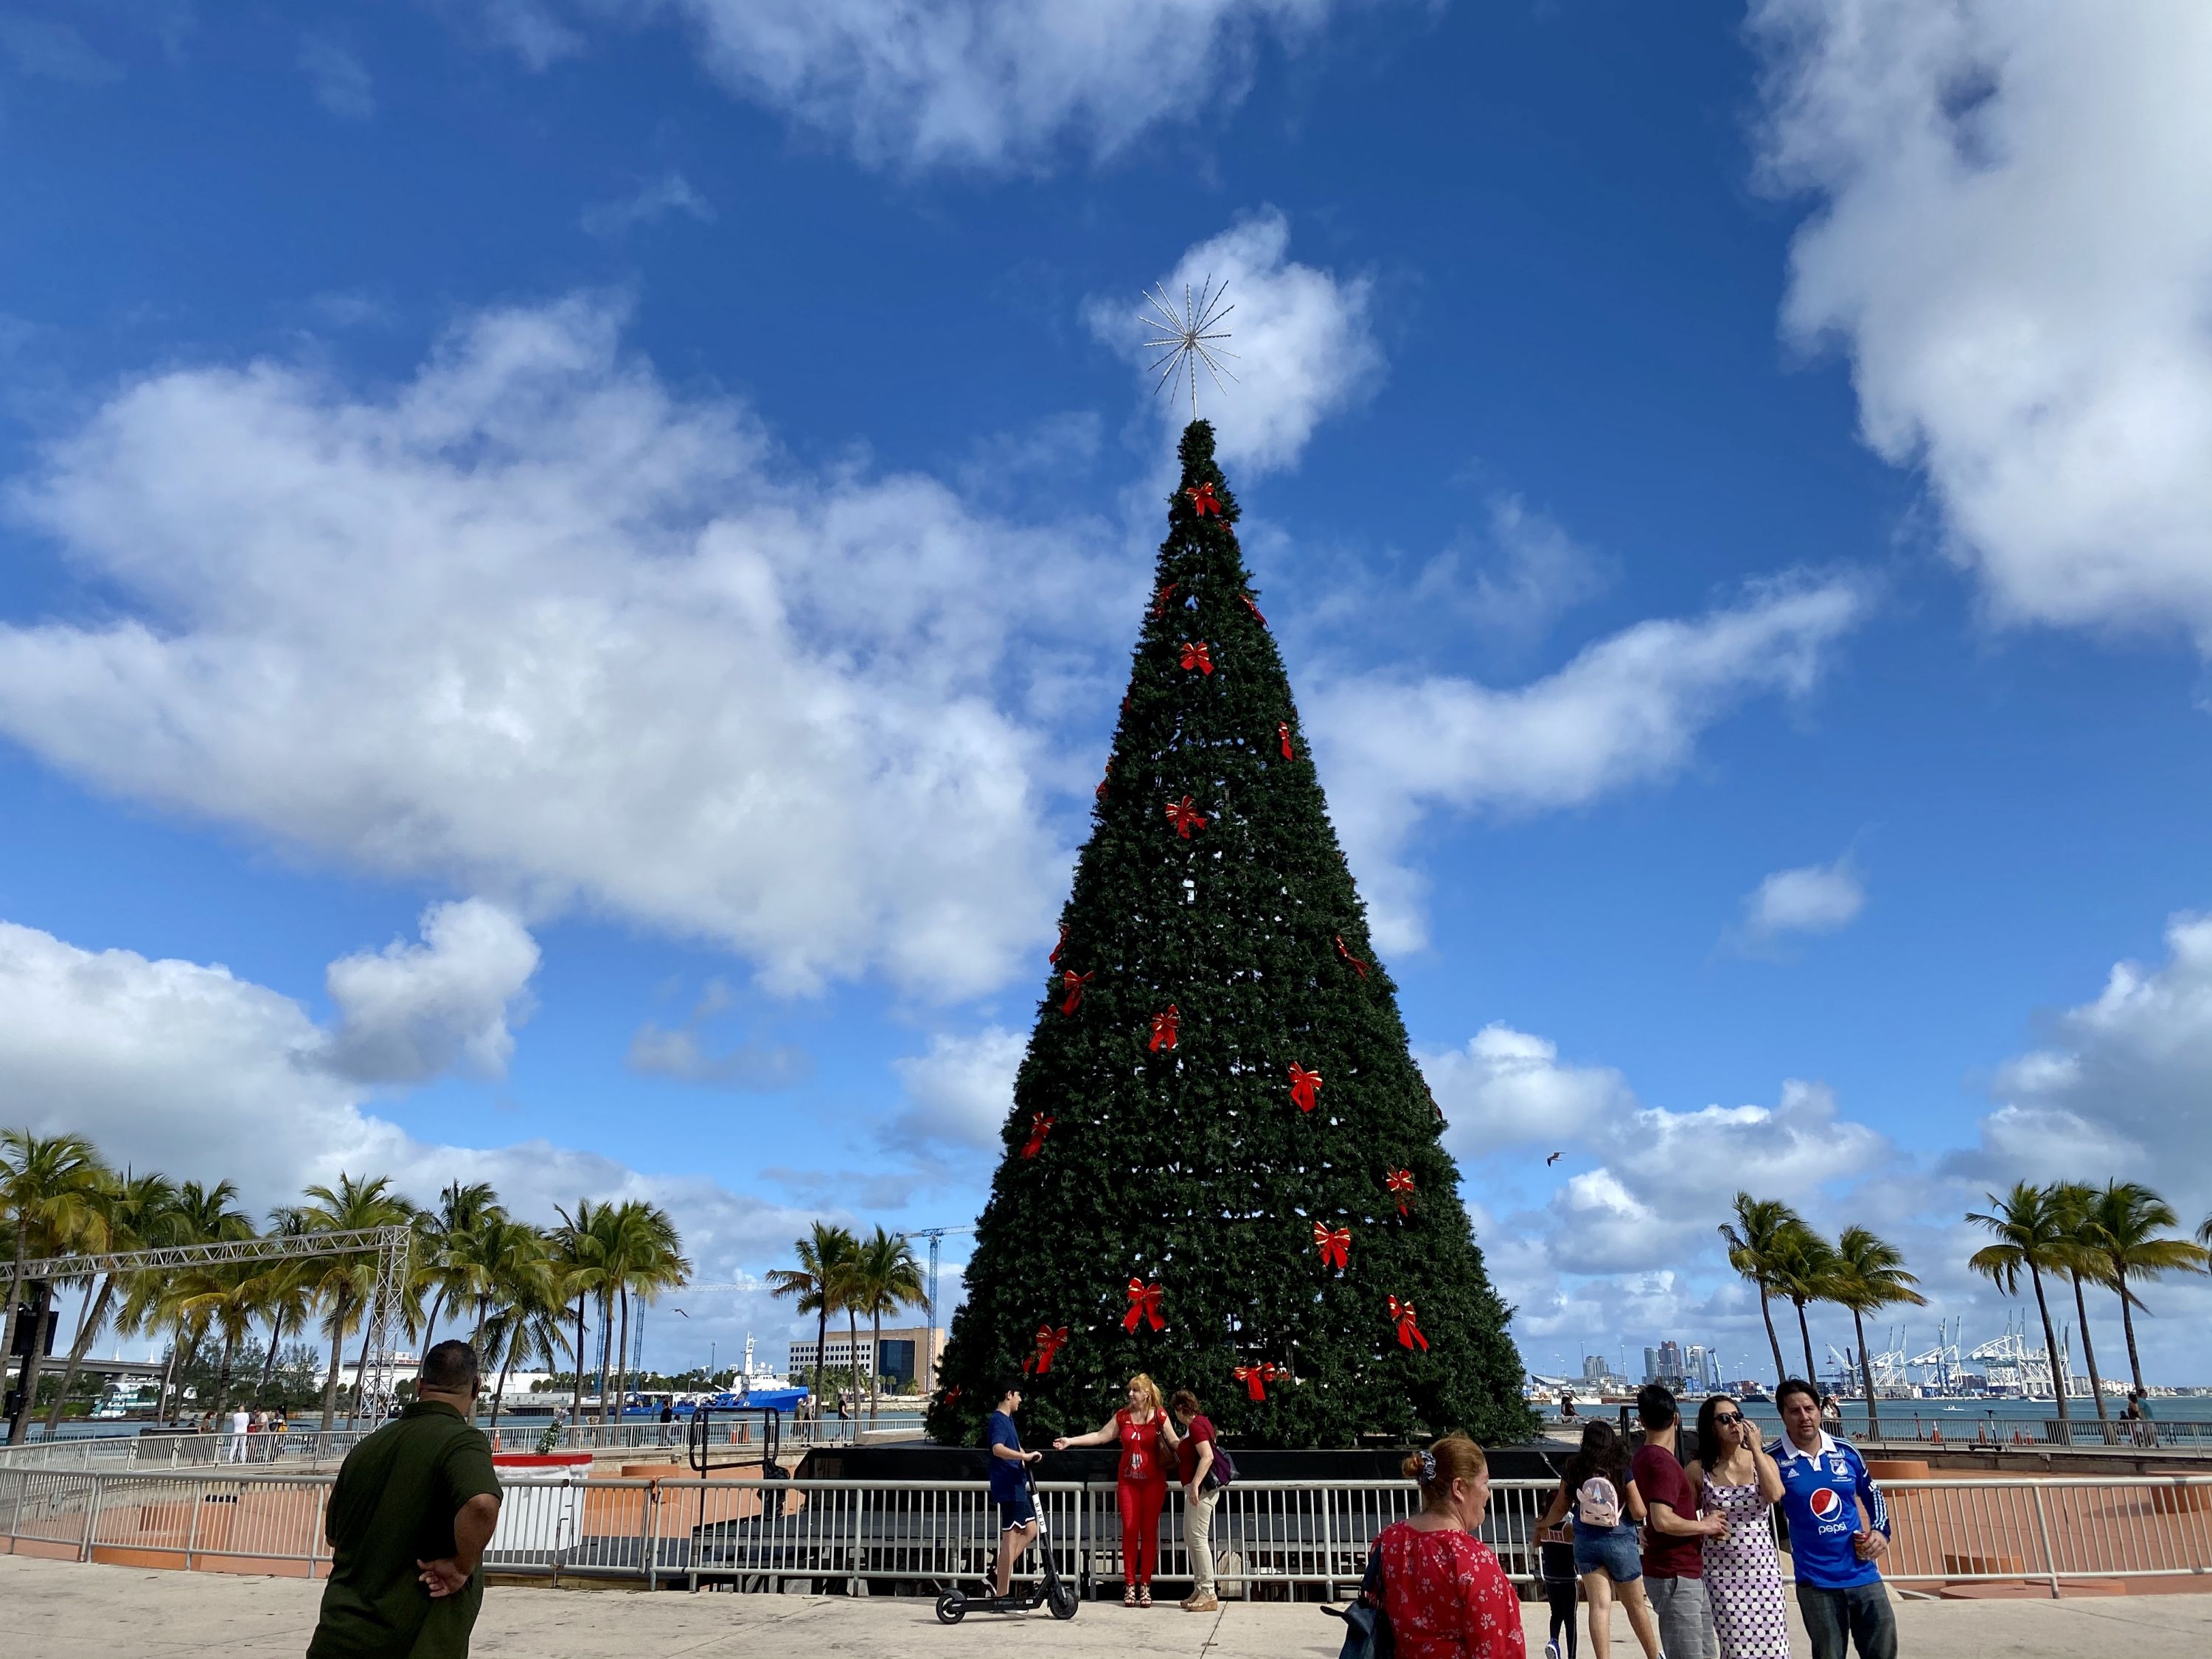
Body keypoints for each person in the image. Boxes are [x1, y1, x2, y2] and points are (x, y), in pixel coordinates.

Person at [306, 1340, 504, 1659]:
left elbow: (333, 1536)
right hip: (411, 1639)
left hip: (339, 1634)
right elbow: (481, 1503)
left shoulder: (367, 1448)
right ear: (476, 1387)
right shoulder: (462, 1441)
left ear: (420, 1384)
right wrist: (461, 1567)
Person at [1769, 1377, 1894, 1659]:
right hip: (1817, 1584)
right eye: (1795, 1411)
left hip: (1864, 1576)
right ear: (1783, 1415)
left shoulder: (1846, 1451)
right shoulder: (1772, 1460)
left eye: (1810, 1409)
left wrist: (1881, 1533)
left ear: (1819, 1411)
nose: (1805, 1417)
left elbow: (1873, 1494)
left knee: (1884, 1652)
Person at [1367, 1435, 1524, 1658]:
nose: (1488, 1493)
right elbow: (1496, 1649)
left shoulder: (1388, 1542)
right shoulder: (1473, 1560)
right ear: (1459, 1488)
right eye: (1485, 1482)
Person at [1537, 1420, 1663, 1659]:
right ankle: (1652, 1656)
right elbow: (1638, 1511)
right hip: (1619, 1541)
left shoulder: (1574, 1466)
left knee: (1599, 1606)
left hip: (1585, 1542)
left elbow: (1559, 1507)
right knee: (1635, 1606)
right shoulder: (1621, 1466)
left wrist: (1544, 1523)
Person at [1054, 1372, 1178, 1607]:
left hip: (1153, 1482)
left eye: (1135, 1390)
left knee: (1149, 1532)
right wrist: (1071, 1440)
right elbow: (1101, 1436)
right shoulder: (1123, 1416)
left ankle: (1146, 1586)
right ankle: (1130, 1585)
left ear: (1146, 1394)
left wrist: (1199, 1447)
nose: (1130, 1394)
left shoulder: (1159, 1416)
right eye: (1129, 1390)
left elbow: (1174, 1442)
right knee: (1130, 1531)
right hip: (1129, 1482)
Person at [1688, 1395, 1788, 1659]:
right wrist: (1703, 1526)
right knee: (1735, 1646)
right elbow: (1685, 1516)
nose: (1734, 1423)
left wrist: (1756, 1449)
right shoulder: (1698, 1470)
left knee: (1774, 1644)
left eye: (1737, 1416)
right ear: (1711, 1427)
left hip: (1762, 1569)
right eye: (1724, 1419)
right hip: (1722, 1571)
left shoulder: (1761, 1462)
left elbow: (1775, 1494)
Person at [1632, 1384, 1728, 1659]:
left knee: (1705, 1652)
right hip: (1674, 1571)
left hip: (1679, 1570)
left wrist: (1642, 1528)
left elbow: (1639, 1510)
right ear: (1676, 1418)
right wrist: (1705, 1525)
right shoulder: (1663, 1463)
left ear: (1641, 1421)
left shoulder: (1641, 1458)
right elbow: (1663, 1519)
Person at [986, 1380, 1043, 1599]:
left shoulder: (1008, 1421)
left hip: (1017, 1482)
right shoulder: (998, 1421)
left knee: (1030, 1530)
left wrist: (1028, 1455)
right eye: (1018, 1395)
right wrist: (1023, 1456)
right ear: (1009, 1394)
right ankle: (1001, 1591)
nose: (1020, 1400)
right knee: (1010, 1536)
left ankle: (996, 1576)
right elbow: (998, 1448)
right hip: (1008, 1483)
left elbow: (1014, 1445)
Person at [1169, 1388, 1220, 1613]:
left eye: (1176, 1411)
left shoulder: (1196, 1427)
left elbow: (1207, 1456)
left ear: (1181, 1409)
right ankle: (1200, 1588)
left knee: (1197, 1539)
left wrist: (1196, 1484)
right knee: (1191, 1538)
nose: (1176, 1415)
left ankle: (1208, 1591)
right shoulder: (1198, 1425)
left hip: (1200, 1490)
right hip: (1195, 1489)